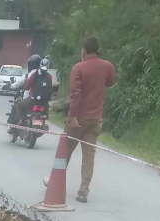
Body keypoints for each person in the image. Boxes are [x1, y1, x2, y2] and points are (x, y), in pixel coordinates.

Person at [65, 37, 116, 203]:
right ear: (97, 50)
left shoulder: (78, 68)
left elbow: (76, 94)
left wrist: (72, 116)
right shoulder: (107, 66)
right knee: (89, 157)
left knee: (64, 151)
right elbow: (111, 82)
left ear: (84, 51)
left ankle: (55, 182)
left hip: (78, 119)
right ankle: (83, 192)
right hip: (95, 120)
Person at [8, 55, 53, 127]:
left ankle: (19, 122)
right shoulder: (49, 76)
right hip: (44, 101)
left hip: (33, 99)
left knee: (19, 105)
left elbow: (27, 87)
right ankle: (44, 122)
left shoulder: (33, 74)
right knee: (45, 112)